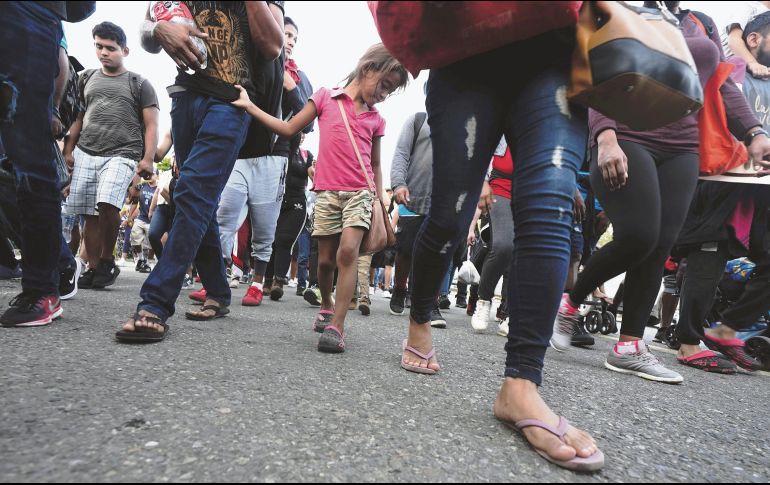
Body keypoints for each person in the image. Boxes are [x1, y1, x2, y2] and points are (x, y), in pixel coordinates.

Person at [390, 9, 604, 470]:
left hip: (556, 52)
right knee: (447, 218)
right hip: (467, 50)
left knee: (551, 203)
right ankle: (420, 318)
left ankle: (522, 385)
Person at [552, 3, 770, 386]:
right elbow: (594, 69)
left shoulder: (699, 23)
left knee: (660, 245)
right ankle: (569, 303)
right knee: (639, 233)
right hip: (626, 134)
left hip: (683, 147)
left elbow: (717, 84)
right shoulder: (613, 7)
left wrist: (754, 132)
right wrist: (605, 136)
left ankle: (629, 347)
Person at [116, 0, 285, 342]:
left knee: (193, 192)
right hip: (185, 96)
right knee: (192, 194)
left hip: (231, 102)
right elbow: (148, 33)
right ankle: (219, 293)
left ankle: (156, 302)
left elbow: (272, 46)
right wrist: (158, 28)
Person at [232, 43, 409, 353]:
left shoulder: (376, 120)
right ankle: (326, 303)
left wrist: (378, 199)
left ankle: (337, 326)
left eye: (390, 91)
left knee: (347, 253)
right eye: (384, 85)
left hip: (360, 195)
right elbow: (288, 129)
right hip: (326, 193)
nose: (384, 94)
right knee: (325, 262)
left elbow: (377, 164)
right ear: (368, 69)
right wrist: (250, 107)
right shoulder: (326, 97)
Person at [673, 12, 770, 374]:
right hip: (722, 174)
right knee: (708, 251)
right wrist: (742, 54)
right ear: (755, 39)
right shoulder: (732, 67)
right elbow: (727, 40)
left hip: (763, 183)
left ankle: (726, 328)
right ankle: (687, 342)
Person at [0, 1, 95, 328]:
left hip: (22, 20)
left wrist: (53, 110)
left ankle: (45, 284)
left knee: (27, 166)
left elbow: (61, 58)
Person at [63, 21, 159, 290]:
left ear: (125, 51)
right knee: (89, 215)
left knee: (108, 204)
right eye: (99, 46)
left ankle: (107, 261)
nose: (104, 52)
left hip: (123, 152)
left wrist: (148, 158)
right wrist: (68, 151)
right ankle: (94, 268)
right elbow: (77, 118)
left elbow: (151, 124)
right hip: (86, 152)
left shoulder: (140, 84)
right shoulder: (86, 78)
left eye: (111, 48)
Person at [471, 140, 514, 334]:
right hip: (501, 187)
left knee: (523, 254)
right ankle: (483, 299)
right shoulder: (504, 117)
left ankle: (510, 312)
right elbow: (479, 148)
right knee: (504, 246)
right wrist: (481, 181)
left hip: (532, 190)